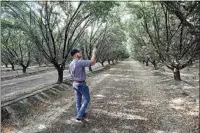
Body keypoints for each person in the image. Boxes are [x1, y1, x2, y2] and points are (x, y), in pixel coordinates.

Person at [69, 48, 97, 122]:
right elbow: (91, 62)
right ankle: (79, 115)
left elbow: (93, 63)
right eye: (79, 53)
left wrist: (81, 58)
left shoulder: (71, 63)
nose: (80, 54)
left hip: (75, 83)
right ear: (76, 54)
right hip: (81, 84)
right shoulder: (79, 62)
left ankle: (80, 114)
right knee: (87, 99)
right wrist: (94, 52)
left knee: (78, 99)